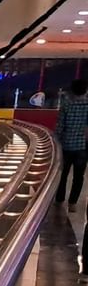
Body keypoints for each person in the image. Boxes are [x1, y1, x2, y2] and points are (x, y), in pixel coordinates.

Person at [55, 78, 88, 210]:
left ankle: (59, 200)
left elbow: (59, 127)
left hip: (66, 145)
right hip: (83, 146)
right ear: (85, 90)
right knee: (79, 176)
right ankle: (72, 203)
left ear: (72, 91)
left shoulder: (66, 104)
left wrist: (56, 141)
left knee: (63, 175)